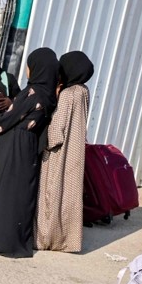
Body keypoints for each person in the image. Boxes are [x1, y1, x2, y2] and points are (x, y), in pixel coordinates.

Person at [0, 48, 60, 258]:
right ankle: (13, 239)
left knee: (5, 190)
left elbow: (5, 122)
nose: (27, 71)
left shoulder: (32, 93)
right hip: (28, 146)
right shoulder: (48, 94)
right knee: (20, 192)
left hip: (13, 146)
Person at [36, 51, 94, 253]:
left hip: (59, 154)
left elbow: (56, 133)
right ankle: (68, 239)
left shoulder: (68, 95)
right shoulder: (83, 90)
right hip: (74, 152)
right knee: (69, 195)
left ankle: (46, 239)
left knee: (51, 192)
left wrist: (42, 142)